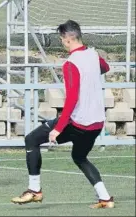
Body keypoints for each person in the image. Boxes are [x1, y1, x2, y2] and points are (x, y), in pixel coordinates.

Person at [11, 20, 114, 208]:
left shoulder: (70, 64)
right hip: (97, 123)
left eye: (61, 39)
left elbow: (72, 99)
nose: (61, 42)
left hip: (78, 123)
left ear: (67, 39)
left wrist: (57, 128)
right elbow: (105, 68)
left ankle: (34, 190)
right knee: (79, 157)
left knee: (31, 140)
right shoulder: (93, 54)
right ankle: (105, 198)